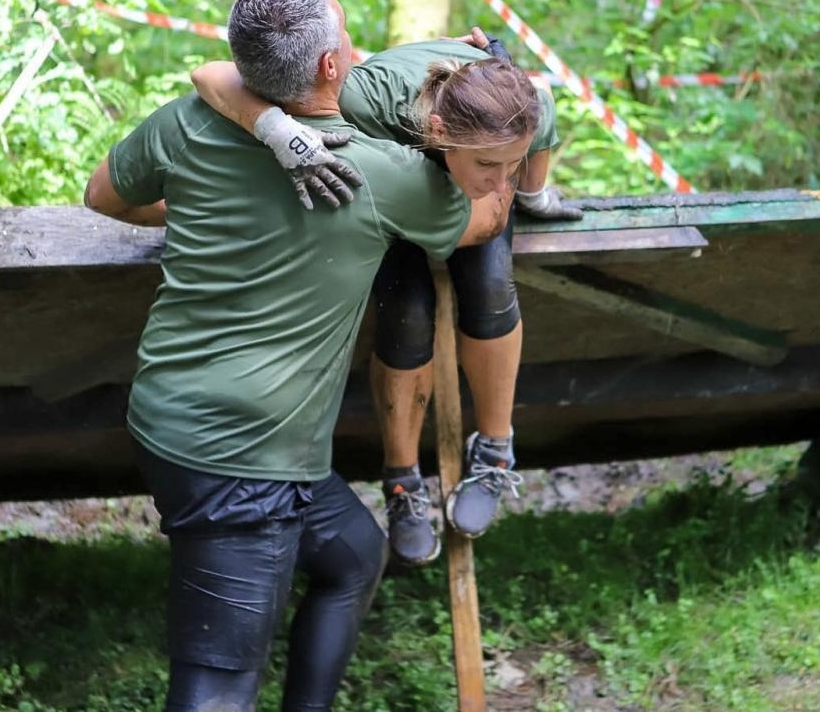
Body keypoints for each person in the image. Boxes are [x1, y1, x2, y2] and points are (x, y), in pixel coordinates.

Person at [84, 0, 509, 712]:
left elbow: (104, 195)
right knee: (216, 689)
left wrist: (203, 206)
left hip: (172, 419)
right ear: (329, 65)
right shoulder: (381, 173)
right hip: (242, 460)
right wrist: (506, 146)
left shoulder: (186, 122)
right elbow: (483, 221)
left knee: (353, 555)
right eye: (350, 36)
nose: (360, 48)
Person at [192, 34, 579, 566]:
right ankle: (401, 482)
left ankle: (494, 448)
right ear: (440, 132)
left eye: (510, 165)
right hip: (394, 182)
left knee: (489, 286)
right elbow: (212, 74)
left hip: (460, 160)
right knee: (406, 311)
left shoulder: (529, 106)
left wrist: (529, 194)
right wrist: (279, 131)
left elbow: (527, 162)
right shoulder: (364, 99)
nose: (500, 182)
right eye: (492, 166)